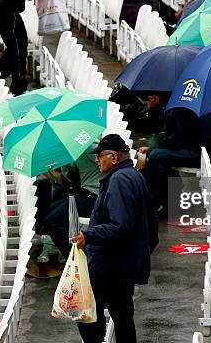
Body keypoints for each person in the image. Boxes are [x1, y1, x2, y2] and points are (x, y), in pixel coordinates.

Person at [70, 134, 157, 343]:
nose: (97, 161)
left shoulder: (119, 181)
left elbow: (120, 226)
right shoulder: (133, 175)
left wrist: (88, 235)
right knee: (123, 317)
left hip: (112, 265)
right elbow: (151, 225)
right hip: (125, 263)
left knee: (85, 311)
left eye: (100, 157)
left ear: (114, 158)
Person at [42, 144, 104, 257]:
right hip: (85, 193)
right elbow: (67, 182)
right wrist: (46, 169)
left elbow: (110, 164)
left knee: (52, 220)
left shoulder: (88, 148)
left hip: (95, 196)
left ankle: (76, 257)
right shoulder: (71, 152)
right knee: (51, 209)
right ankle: (71, 250)